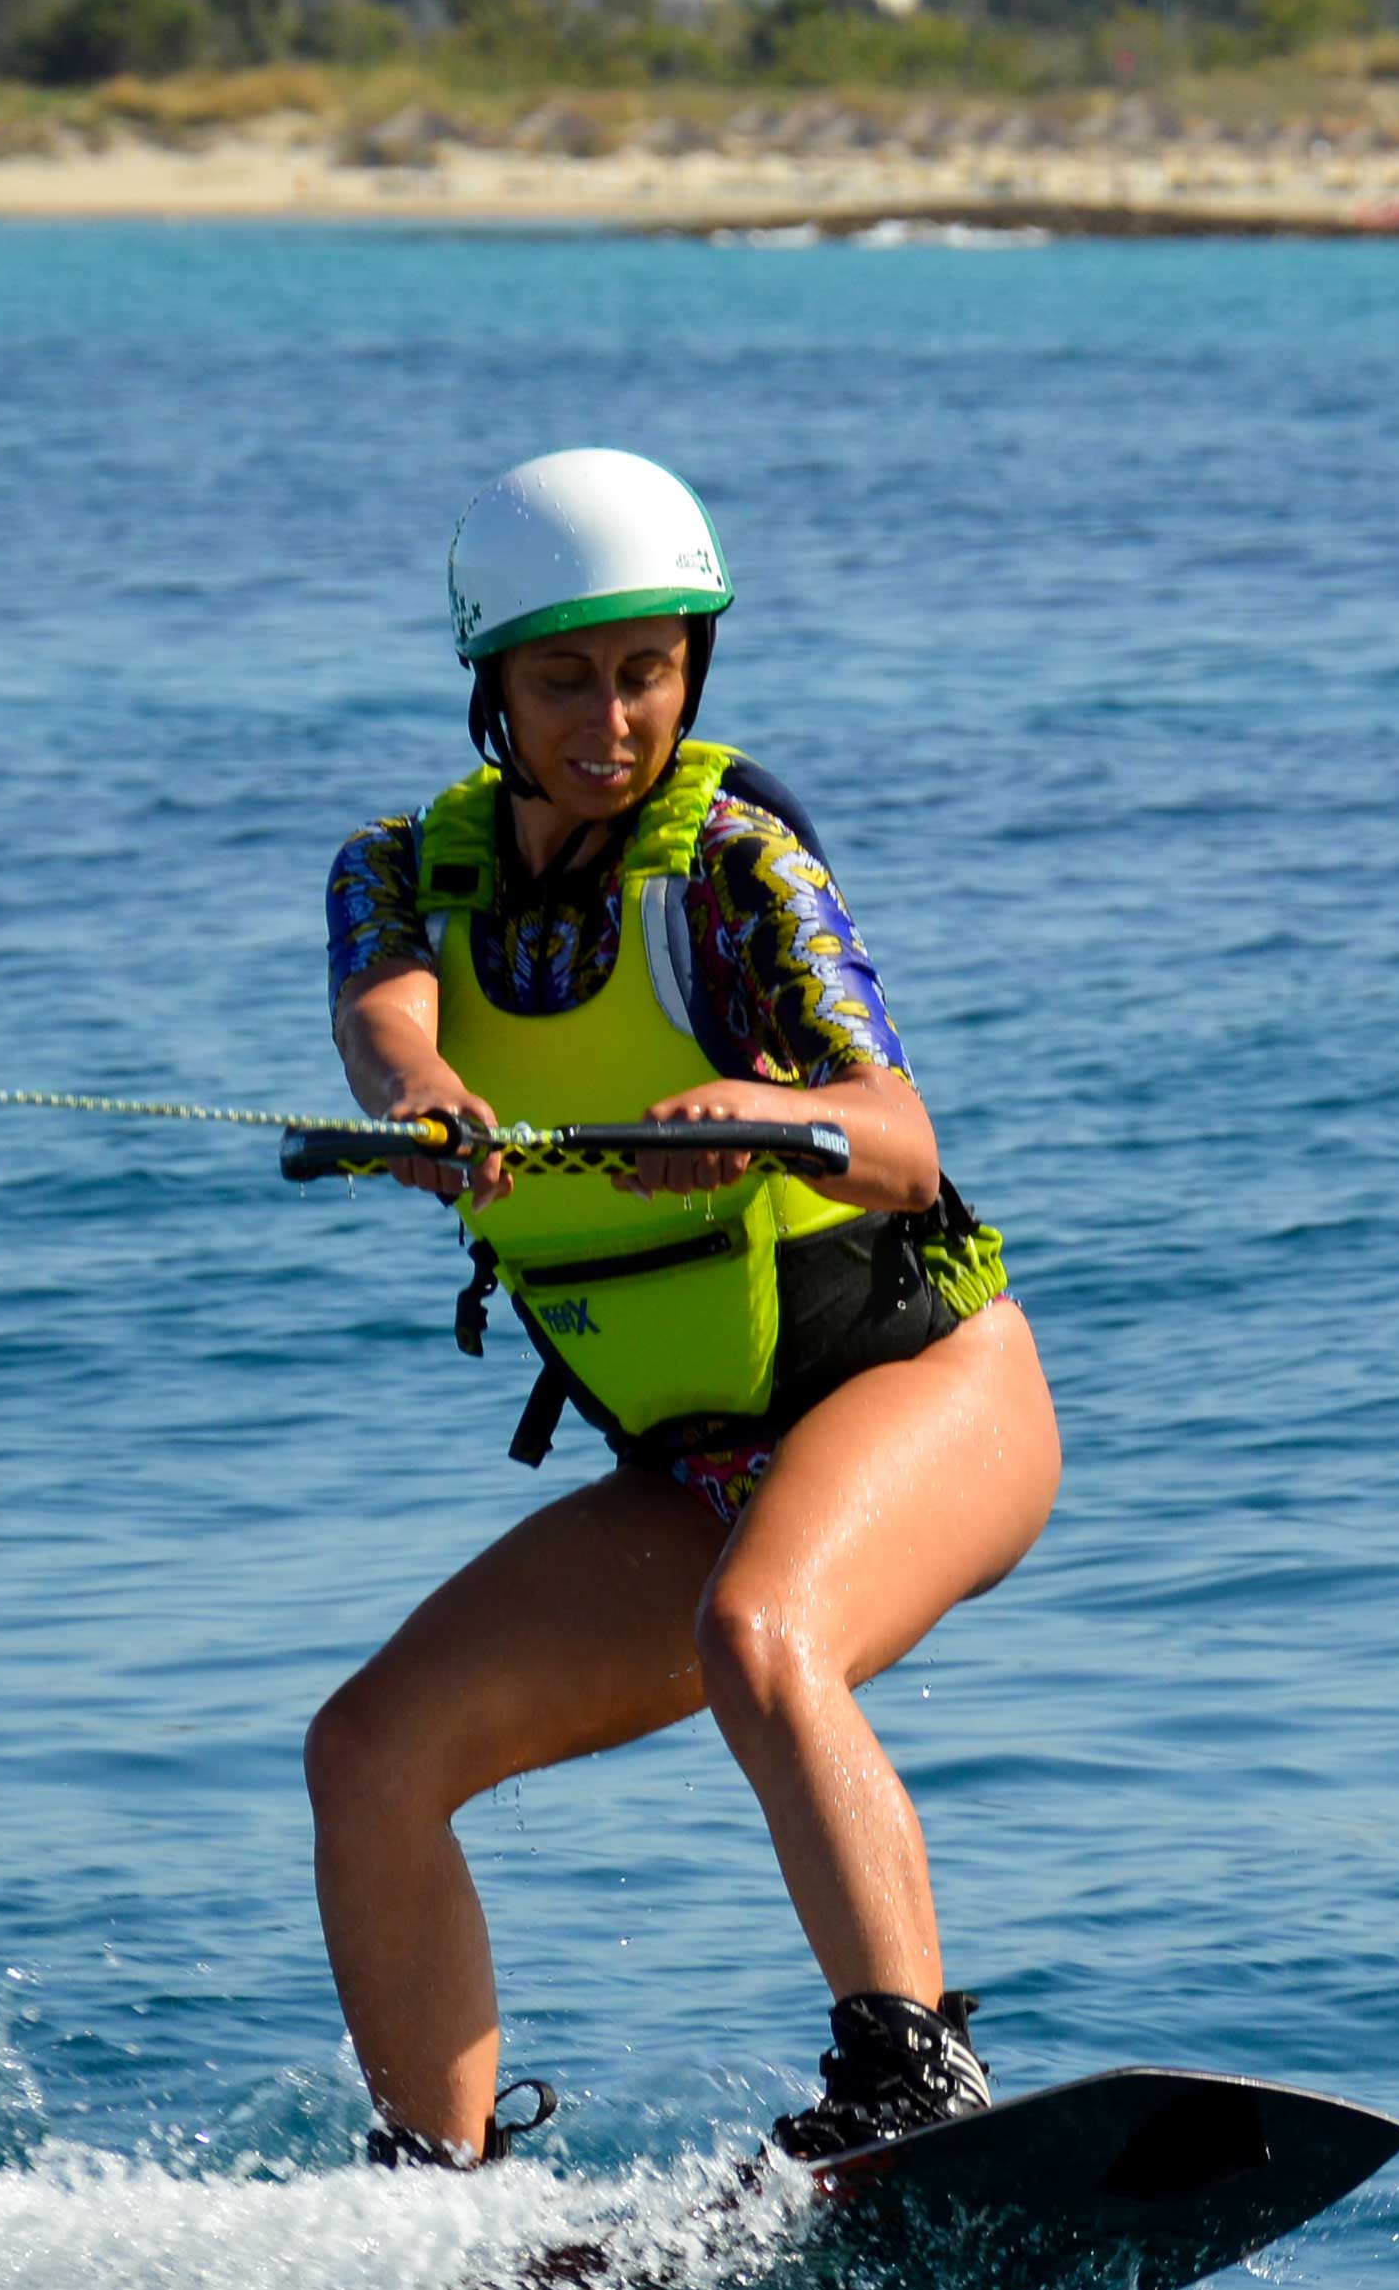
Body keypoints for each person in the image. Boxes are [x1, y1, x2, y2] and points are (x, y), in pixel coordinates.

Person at [304, 448, 1061, 2170]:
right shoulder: (399, 868)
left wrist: (757, 1115)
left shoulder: (736, 870)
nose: (610, 715)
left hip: (922, 1385)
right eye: (565, 676)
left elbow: (899, 1140)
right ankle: (438, 2196)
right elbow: (388, 1021)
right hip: (692, 1463)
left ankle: (912, 2084)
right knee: (369, 1747)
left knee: (759, 1637)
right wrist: (425, 1101)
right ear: (492, 683)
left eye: (647, 669)